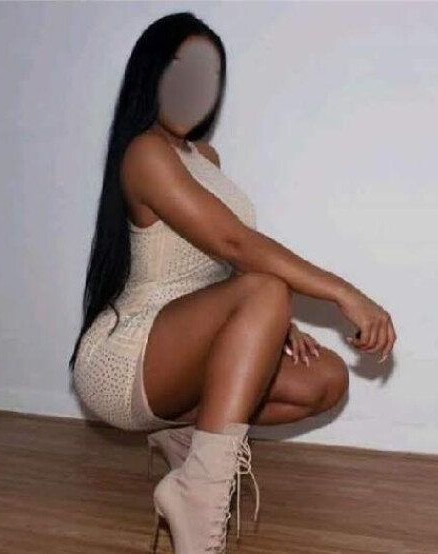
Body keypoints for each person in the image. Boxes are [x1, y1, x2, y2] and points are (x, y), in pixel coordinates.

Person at [68, 11, 396, 554]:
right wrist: (344, 293)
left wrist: (270, 324)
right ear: (152, 70)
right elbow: (235, 243)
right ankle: (198, 499)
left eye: (210, 77)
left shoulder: (206, 158)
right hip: (127, 356)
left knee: (327, 379)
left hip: (184, 349)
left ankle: (182, 437)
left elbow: (219, 260)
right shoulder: (144, 152)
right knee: (266, 288)